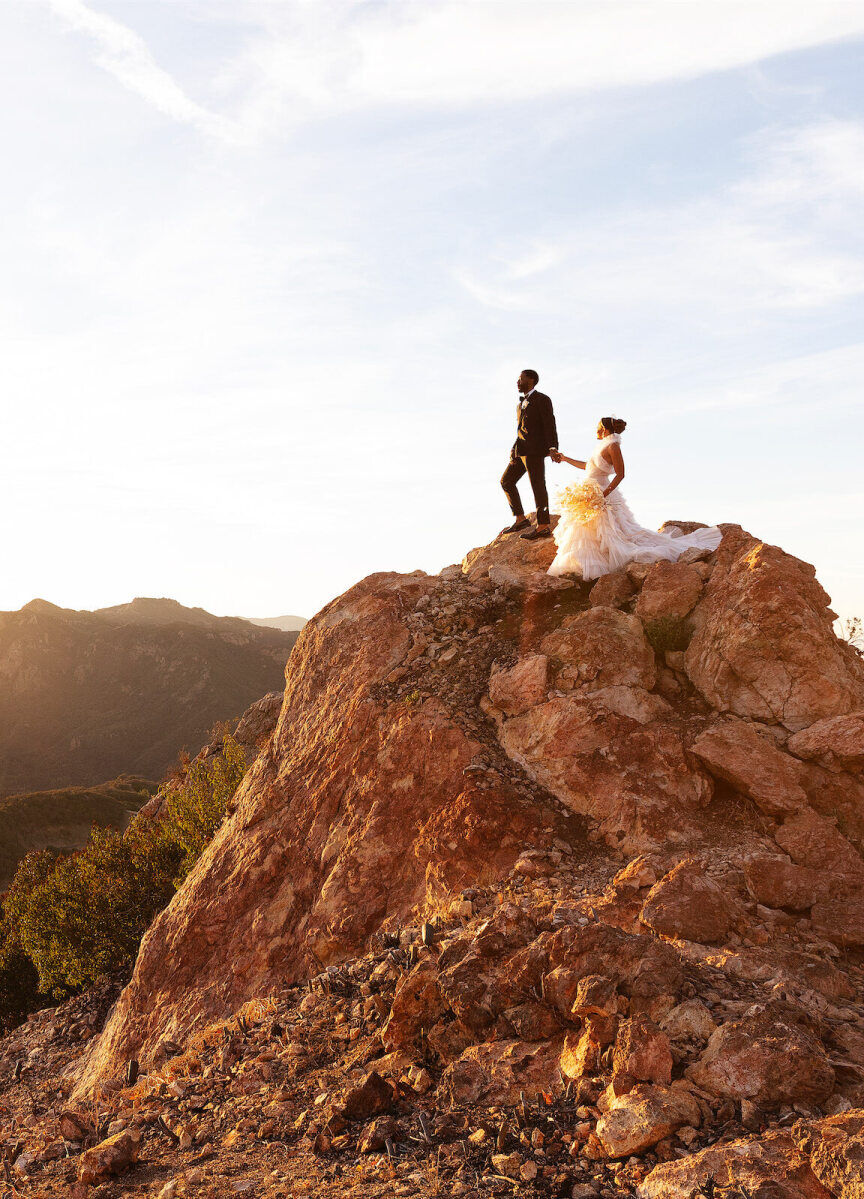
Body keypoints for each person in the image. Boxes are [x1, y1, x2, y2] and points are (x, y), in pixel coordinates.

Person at [548, 416, 722, 579]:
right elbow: (588, 467)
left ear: (604, 429)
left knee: (614, 531)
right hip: (589, 492)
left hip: (602, 492)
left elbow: (620, 474)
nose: (595, 429)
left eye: (597, 427)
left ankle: (603, 566)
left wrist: (603, 494)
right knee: (585, 530)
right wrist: (565, 459)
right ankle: (584, 564)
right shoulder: (601, 446)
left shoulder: (613, 446)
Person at [500, 369, 559, 541]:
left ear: (531, 380)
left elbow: (550, 424)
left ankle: (543, 525)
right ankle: (520, 519)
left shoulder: (542, 399)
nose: (517, 382)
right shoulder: (520, 405)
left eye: (520, 379)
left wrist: (553, 447)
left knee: (537, 486)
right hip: (520, 451)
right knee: (506, 481)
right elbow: (521, 430)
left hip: (535, 451)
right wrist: (514, 448)